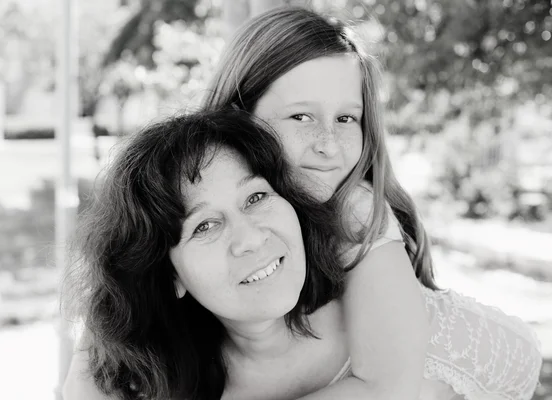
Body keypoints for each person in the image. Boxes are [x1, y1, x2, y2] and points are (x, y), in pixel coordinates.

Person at [201, 6, 543, 400]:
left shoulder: (354, 208)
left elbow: (386, 387)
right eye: (300, 117)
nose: (328, 145)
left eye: (347, 119)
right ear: (237, 115)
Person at [62, 109, 356, 399]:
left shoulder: (380, 324)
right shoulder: (163, 387)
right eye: (204, 226)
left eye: (256, 197)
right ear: (170, 276)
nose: (250, 238)